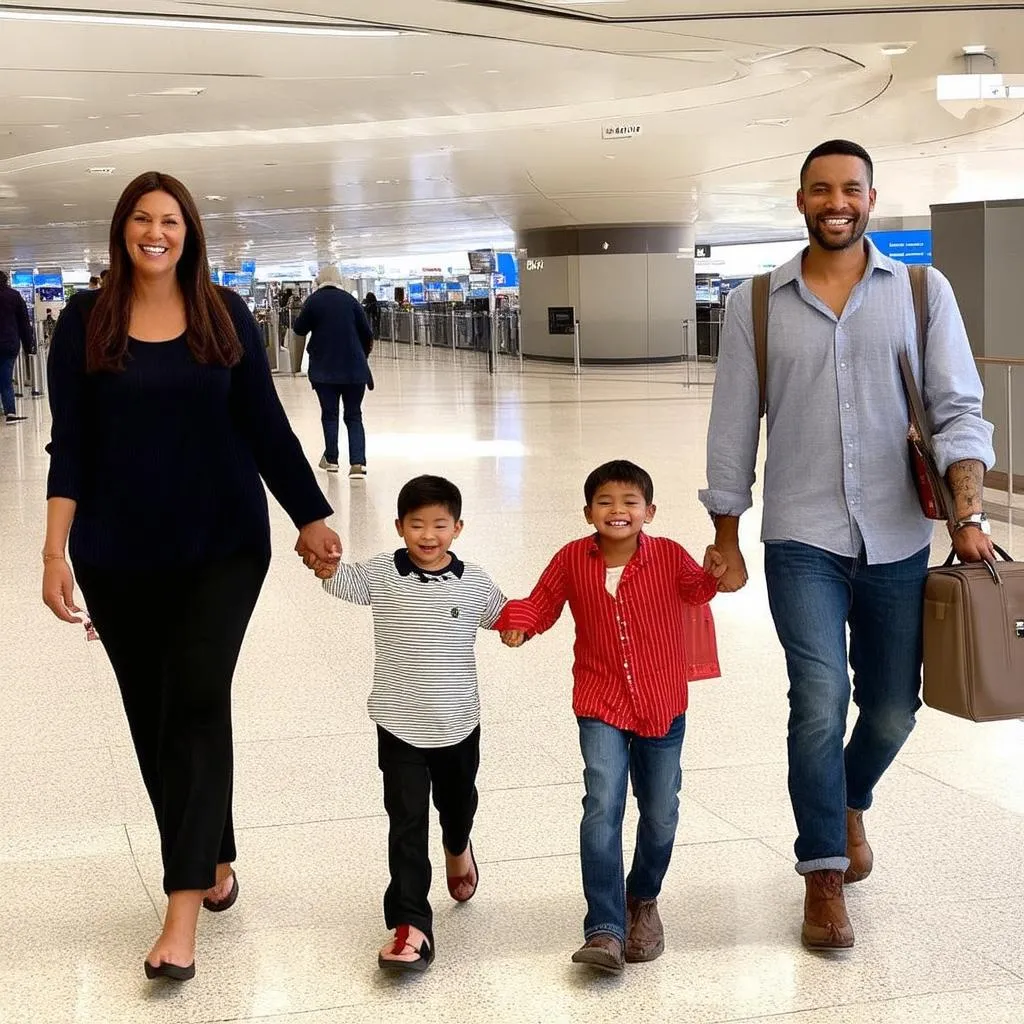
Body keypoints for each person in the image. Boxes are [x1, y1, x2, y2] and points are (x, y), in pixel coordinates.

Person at [41, 170, 341, 982]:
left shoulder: (223, 314)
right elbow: (69, 446)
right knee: (153, 714)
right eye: (142, 219)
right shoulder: (84, 324)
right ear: (121, 230)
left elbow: (266, 427)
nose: (156, 232)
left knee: (198, 699)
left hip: (221, 547)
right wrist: (52, 552)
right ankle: (213, 854)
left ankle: (181, 911)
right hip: (116, 552)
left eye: (170, 220)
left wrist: (309, 514)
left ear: (189, 232)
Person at [701, 139, 996, 950]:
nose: (838, 201)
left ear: (872, 197)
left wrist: (967, 516)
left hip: (899, 534)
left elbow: (958, 410)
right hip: (801, 536)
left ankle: (847, 800)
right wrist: (724, 531)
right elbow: (733, 426)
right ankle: (822, 871)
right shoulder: (755, 303)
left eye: (852, 189)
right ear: (800, 199)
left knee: (895, 707)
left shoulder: (922, 293)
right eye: (821, 189)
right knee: (821, 698)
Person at [499, 461, 726, 972]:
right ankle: (604, 926)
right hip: (600, 702)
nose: (617, 511)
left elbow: (697, 590)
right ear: (587, 513)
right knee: (602, 804)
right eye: (605, 502)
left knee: (662, 811)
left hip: (662, 704)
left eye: (629, 502)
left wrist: (715, 569)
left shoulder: (667, 555)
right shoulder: (572, 560)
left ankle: (641, 897)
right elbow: (541, 604)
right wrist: (518, 624)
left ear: (649, 511)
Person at [316, 475, 507, 973]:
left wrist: (518, 627)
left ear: (458, 528)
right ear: (399, 526)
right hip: (398, 721)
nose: (428, 534)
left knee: (457, 803)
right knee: (405, 820)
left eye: (439, 524)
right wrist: (324, 561)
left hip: (458, 723)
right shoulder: (383, 573)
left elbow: (504, 616)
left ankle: (458, 845)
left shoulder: (474, 581)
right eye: (416, 524)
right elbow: (341, 580)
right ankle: (410, 924)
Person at [292, 267, 374, 480]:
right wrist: (361, 357)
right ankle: (358, 463)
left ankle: (332, 459)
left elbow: (299, 329)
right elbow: (367, 333)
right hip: (355, 370)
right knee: (354, 415)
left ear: (319, 281)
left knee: (330, 415)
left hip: (324, 370)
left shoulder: (314, 301)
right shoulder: (351, 301)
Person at [0, 269, 34, 424]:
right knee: (6, 379)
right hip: (9, 343)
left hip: (8, 342)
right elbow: (23, 323)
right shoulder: (13, 296)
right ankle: (10, 413)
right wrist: (29, 346)